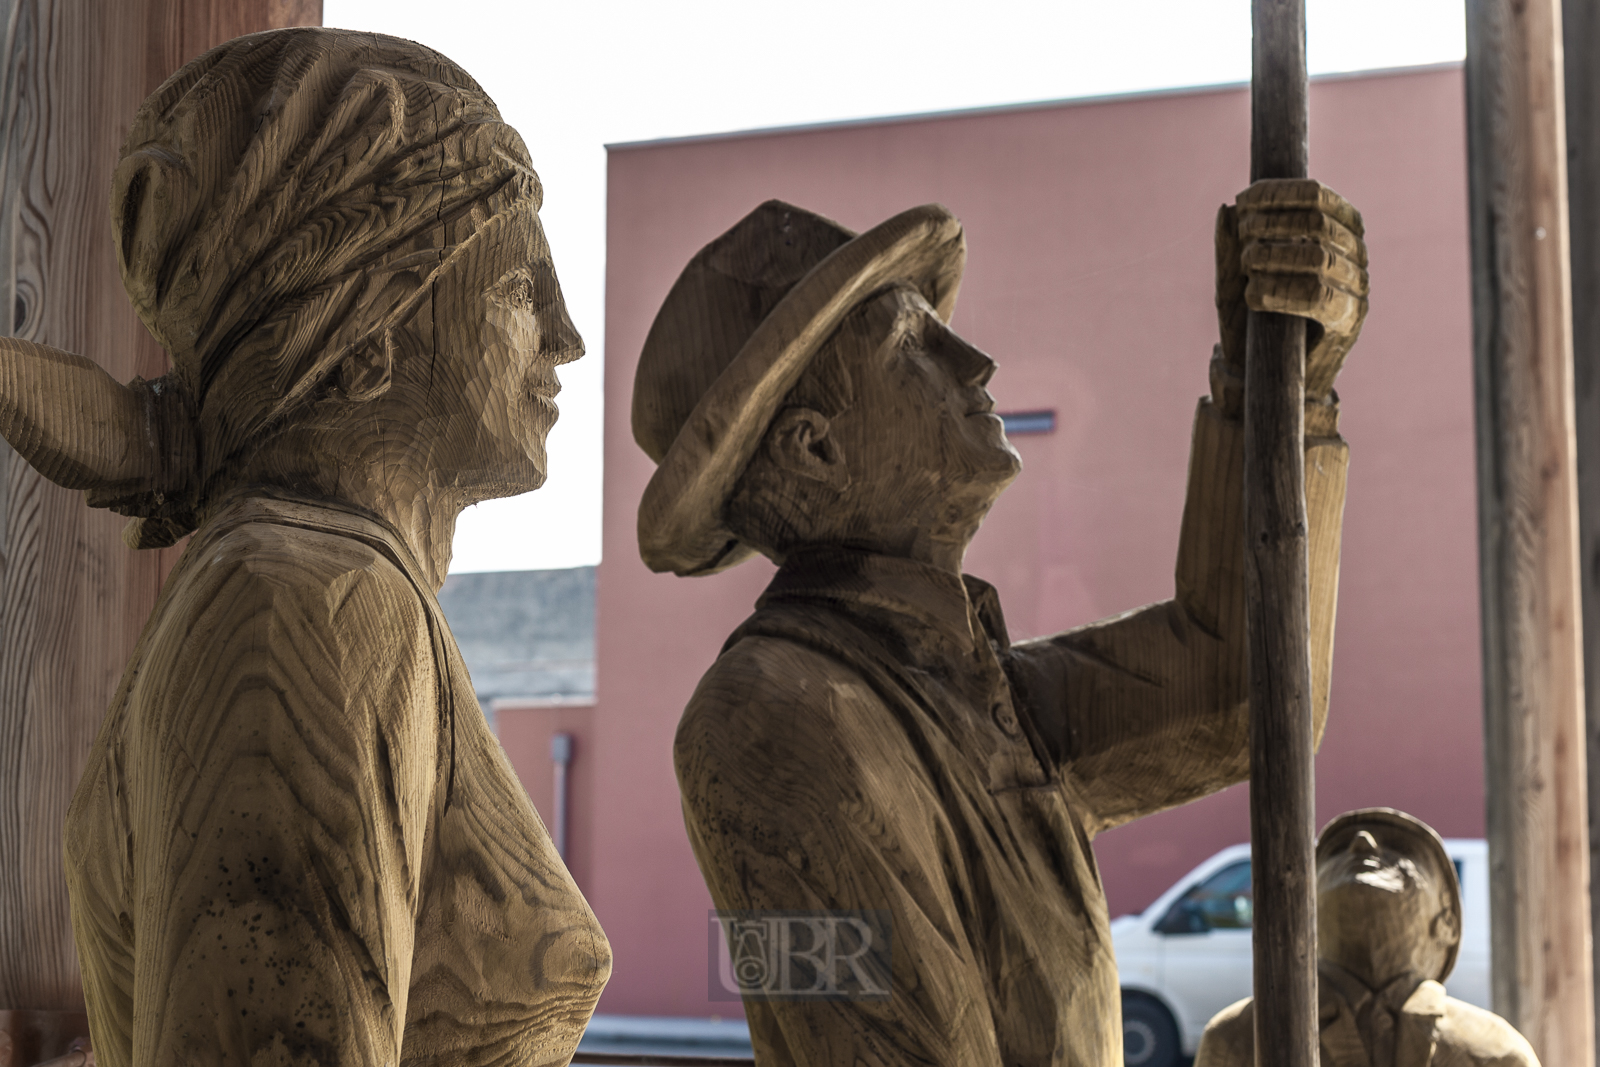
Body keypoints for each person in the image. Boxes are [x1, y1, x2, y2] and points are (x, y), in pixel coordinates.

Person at [631, 186, 1366, 1065]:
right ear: (813, 448)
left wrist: (1282, 383)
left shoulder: (965, 681)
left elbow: (1242, 687)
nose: (975, 360)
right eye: (914, 346)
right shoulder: (767, 719)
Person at [0, 29, 608, 1067]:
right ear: (365, 324)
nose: (564, 336)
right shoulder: (309, 604)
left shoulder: (321, 588)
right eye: (517, 291)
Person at [1195, 809, 1539, 1067]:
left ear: (1446, 923)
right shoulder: (1237, 1039)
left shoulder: (1497, 1052)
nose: (1363, 843)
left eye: (1402, 851)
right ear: (1305, 913)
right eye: (1335, 853)